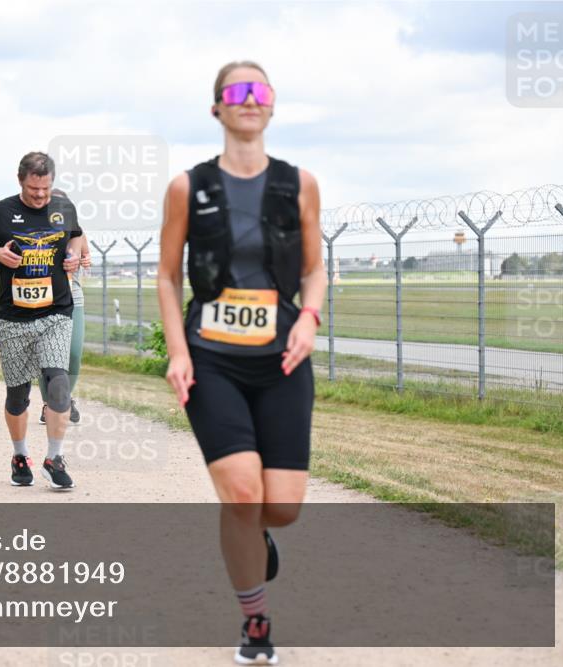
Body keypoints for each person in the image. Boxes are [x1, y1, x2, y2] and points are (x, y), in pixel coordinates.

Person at [157, 60, 325, 666]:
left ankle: (259, 533)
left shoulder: (299, 183)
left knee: (280, 506)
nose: (250, 100)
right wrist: (178, 351)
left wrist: (310, 317)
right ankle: (255, 621)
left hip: (281, 359)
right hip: (211, 362)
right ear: (218, 108)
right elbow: (169, 278)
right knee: (241, 493)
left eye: (260, 91)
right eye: (237, 91)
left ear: (272, 106)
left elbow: (313, 268)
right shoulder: (188, 187)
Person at [0, 152, 82, 490]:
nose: (40, 195)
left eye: (45, 188)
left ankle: (54, 457)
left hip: (56, 312)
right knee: (18, 396)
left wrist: (75, 254)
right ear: (20, 181)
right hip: (13, 319)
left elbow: (75, 235)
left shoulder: (64, 208)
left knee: (57, 381)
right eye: (34, 189)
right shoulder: (0, 212)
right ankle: (20, 455)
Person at [38, 189, 91, 425]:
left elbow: (86, 258)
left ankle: (65, 397)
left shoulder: (76, 231)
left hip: (72, 297)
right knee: (47, 357)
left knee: (73, 353)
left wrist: (85, 260)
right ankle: (50, 403)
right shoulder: (36, 232)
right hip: (43, 298)